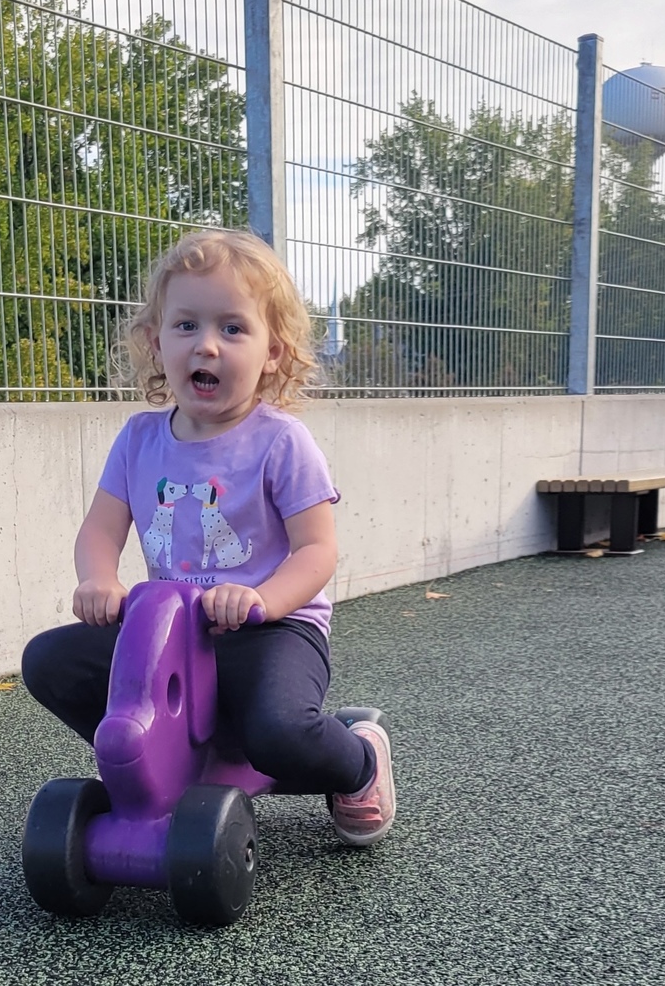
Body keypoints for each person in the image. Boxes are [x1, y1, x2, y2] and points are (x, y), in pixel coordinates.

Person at [21, 228, 395, 846]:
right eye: (187, 326)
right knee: (50, 660)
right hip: (172, 631)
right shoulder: (140, 440)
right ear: (155, 341)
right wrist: (99, 578)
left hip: (274, 628)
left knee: (278, 731)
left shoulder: (281, 442)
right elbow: (101, 528)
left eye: (232, 328)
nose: (208, 346)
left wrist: (263, 601)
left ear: (273, 350)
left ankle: (359, 760)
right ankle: (165, 763)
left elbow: (317, 549)